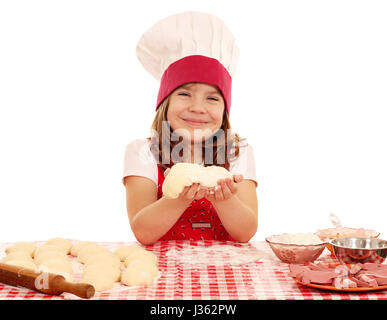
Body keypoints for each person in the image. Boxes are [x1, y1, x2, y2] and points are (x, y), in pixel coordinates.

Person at [122, 11, 258, 245]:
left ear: (224, 110)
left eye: (212, 98)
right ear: (165, 103)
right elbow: (143, 232)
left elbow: (245, 233)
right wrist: (179, 197)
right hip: (160, 275)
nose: (197, 107)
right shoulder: (143, 152)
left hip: (226, 272)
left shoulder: (238, 152)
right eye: (184, 94)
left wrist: (223, 198)